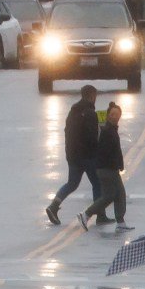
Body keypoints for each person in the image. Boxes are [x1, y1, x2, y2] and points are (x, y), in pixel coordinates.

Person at [46, 85, 109, 225]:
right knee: (97, 183)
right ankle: (100, 215)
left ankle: (54, 206)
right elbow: (92, 137)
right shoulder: (91, 113)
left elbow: (67, 131)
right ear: (92, 96)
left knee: (72, 183)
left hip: (73, 155)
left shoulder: (73, 111)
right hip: (88, 156)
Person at [77, 102, 133, 231]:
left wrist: (119, 164)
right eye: (113, 114)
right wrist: (116, 164)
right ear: (108, 116)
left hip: (110, 168)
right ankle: (86, 214)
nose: (115, 117)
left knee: (119, 194)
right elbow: (108, 152)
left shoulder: (111, 129)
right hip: (107, 169)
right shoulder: (108, 131)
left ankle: (121, 223)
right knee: (109, 196)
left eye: (118, 115)